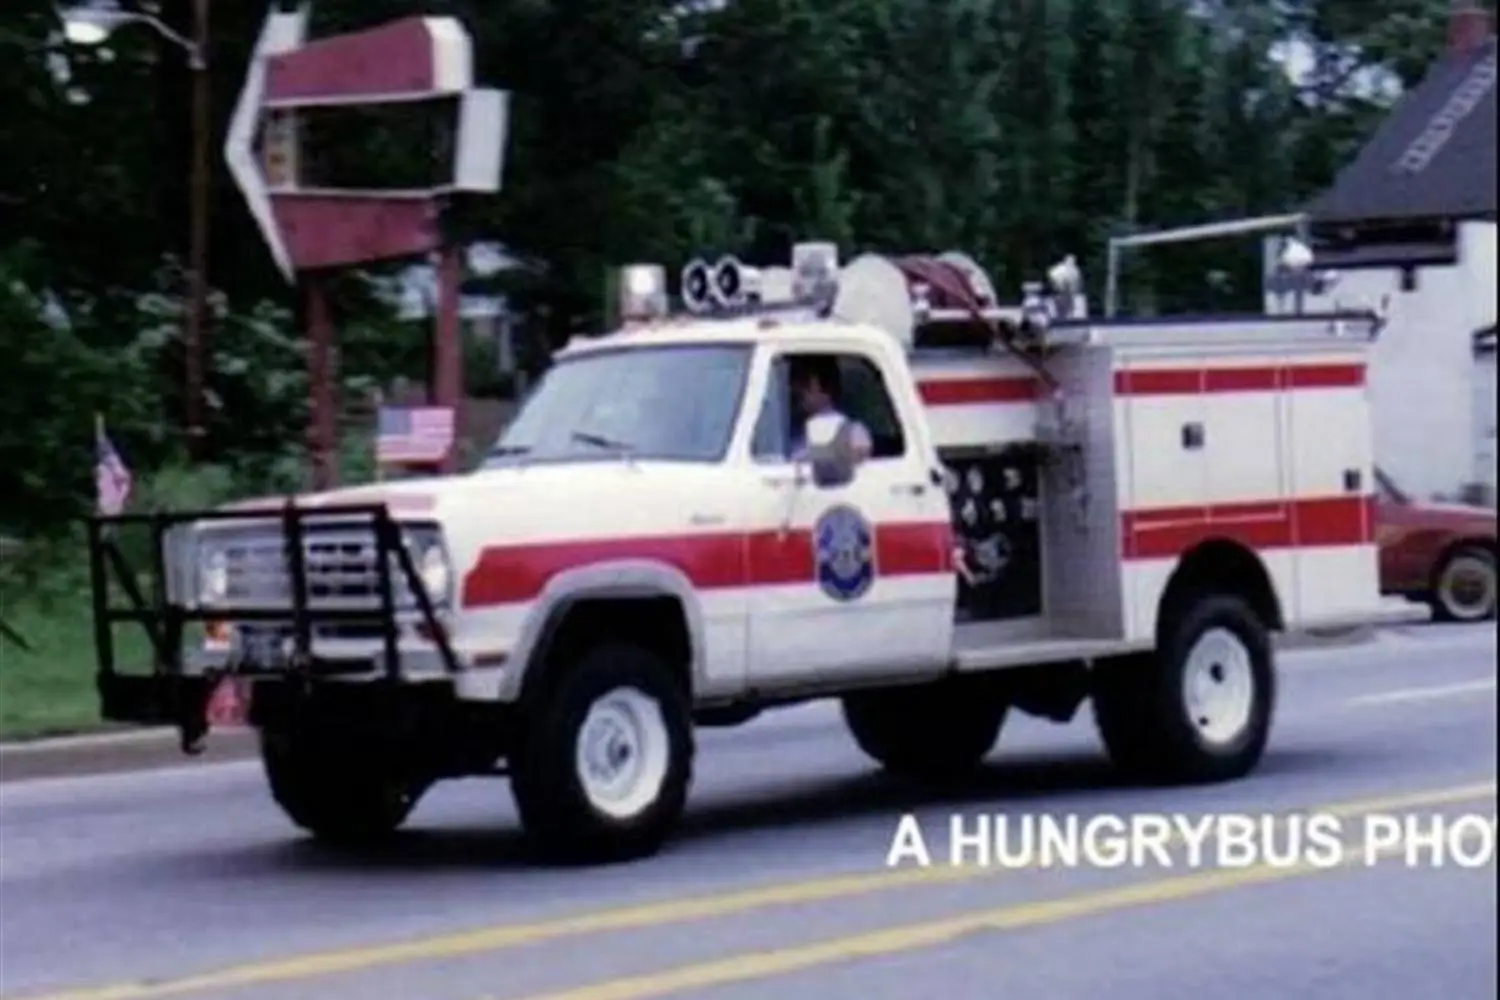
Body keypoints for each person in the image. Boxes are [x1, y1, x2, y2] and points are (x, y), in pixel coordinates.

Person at [787, 355, 873, 462]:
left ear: (824, 388)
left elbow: (859, 449)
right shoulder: (791, 432)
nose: (796, 389)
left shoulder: (852, 431)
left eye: (803, 382)